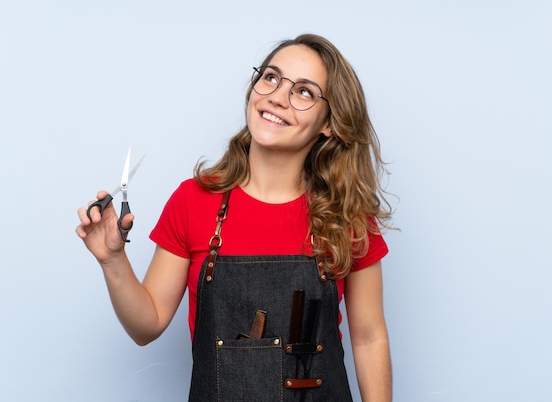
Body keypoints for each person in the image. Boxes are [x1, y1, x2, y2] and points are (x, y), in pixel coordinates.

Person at [76, 33, 393, 402]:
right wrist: (112, 260)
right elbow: (146, 326)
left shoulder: (347, 215)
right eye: (271, 77)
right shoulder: (193, 201)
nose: (277, 96)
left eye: (304, 91)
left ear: (329, 123)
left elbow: (370, 338)